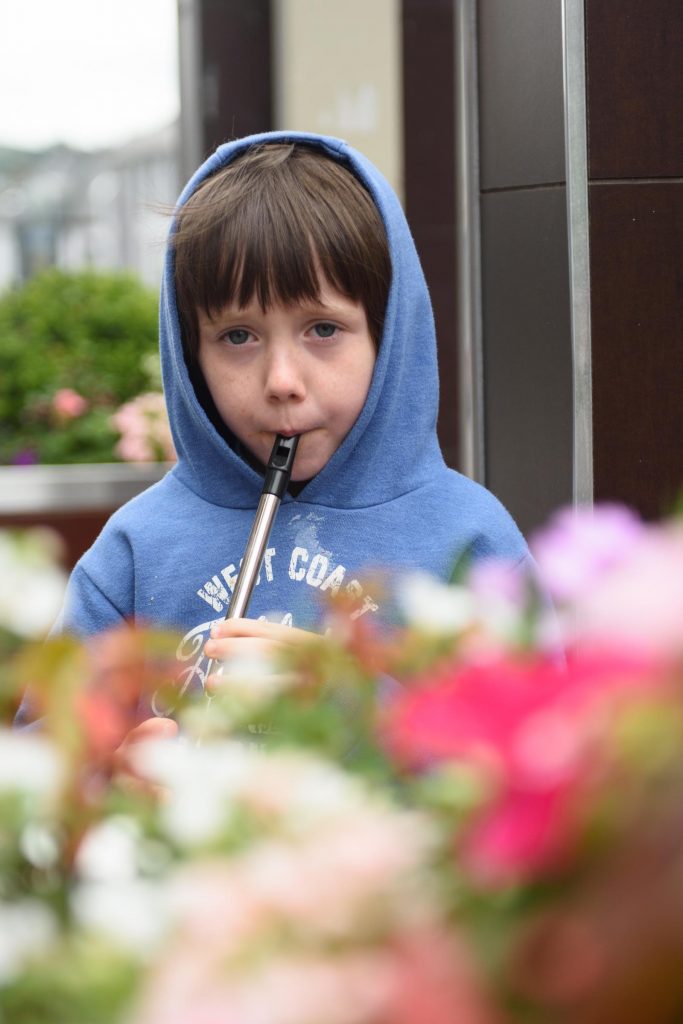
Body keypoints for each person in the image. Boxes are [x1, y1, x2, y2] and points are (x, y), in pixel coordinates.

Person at [34, 131, 531, 729]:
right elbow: (43, 774)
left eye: (322, 329)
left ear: (387, 334)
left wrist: (361, 713)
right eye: (237, 337)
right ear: (192, 355)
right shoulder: (136, 551)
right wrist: (116, 777)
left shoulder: (470, 541)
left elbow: (544, 779)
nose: (282, 380)